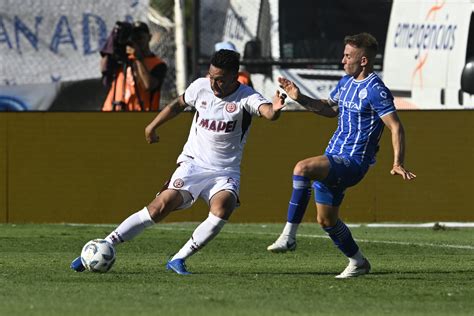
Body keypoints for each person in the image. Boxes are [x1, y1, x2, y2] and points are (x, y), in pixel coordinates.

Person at [71, 49, 287, 274]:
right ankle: (103, 246)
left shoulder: (246, 96)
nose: (214, 84)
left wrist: (276, 109)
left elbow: (269, 112)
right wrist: (152, 126)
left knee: (223, 208)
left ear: (234, 76)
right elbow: (177, 104)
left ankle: (178, 259)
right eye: (211, 77)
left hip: (225, 171)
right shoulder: (200, 87)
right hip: (193, 165)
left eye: (220, 80)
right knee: (158, 209)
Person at [266, 32, 416, 278]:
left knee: (302, 168)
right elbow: (328, 109)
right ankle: (358, 262)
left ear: (364, 60)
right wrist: (299, 97)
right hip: (333, 157)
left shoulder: (376, 90)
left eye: (348, 56)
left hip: (353, 162)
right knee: (326, 221)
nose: (343, 60)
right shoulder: (346, 82)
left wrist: (398, 162)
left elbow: (396, 126)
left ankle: (288, 237)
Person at [101, 21, 167, 111]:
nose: (136, 42)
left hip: (141, 116)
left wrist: (138, 57)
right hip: (112, 111)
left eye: (139, 38)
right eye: (133, 39)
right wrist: (113, 42)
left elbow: (148, 85)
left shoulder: (158, 64)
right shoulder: (123, 59)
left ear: (149, 37)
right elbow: (104, 68)